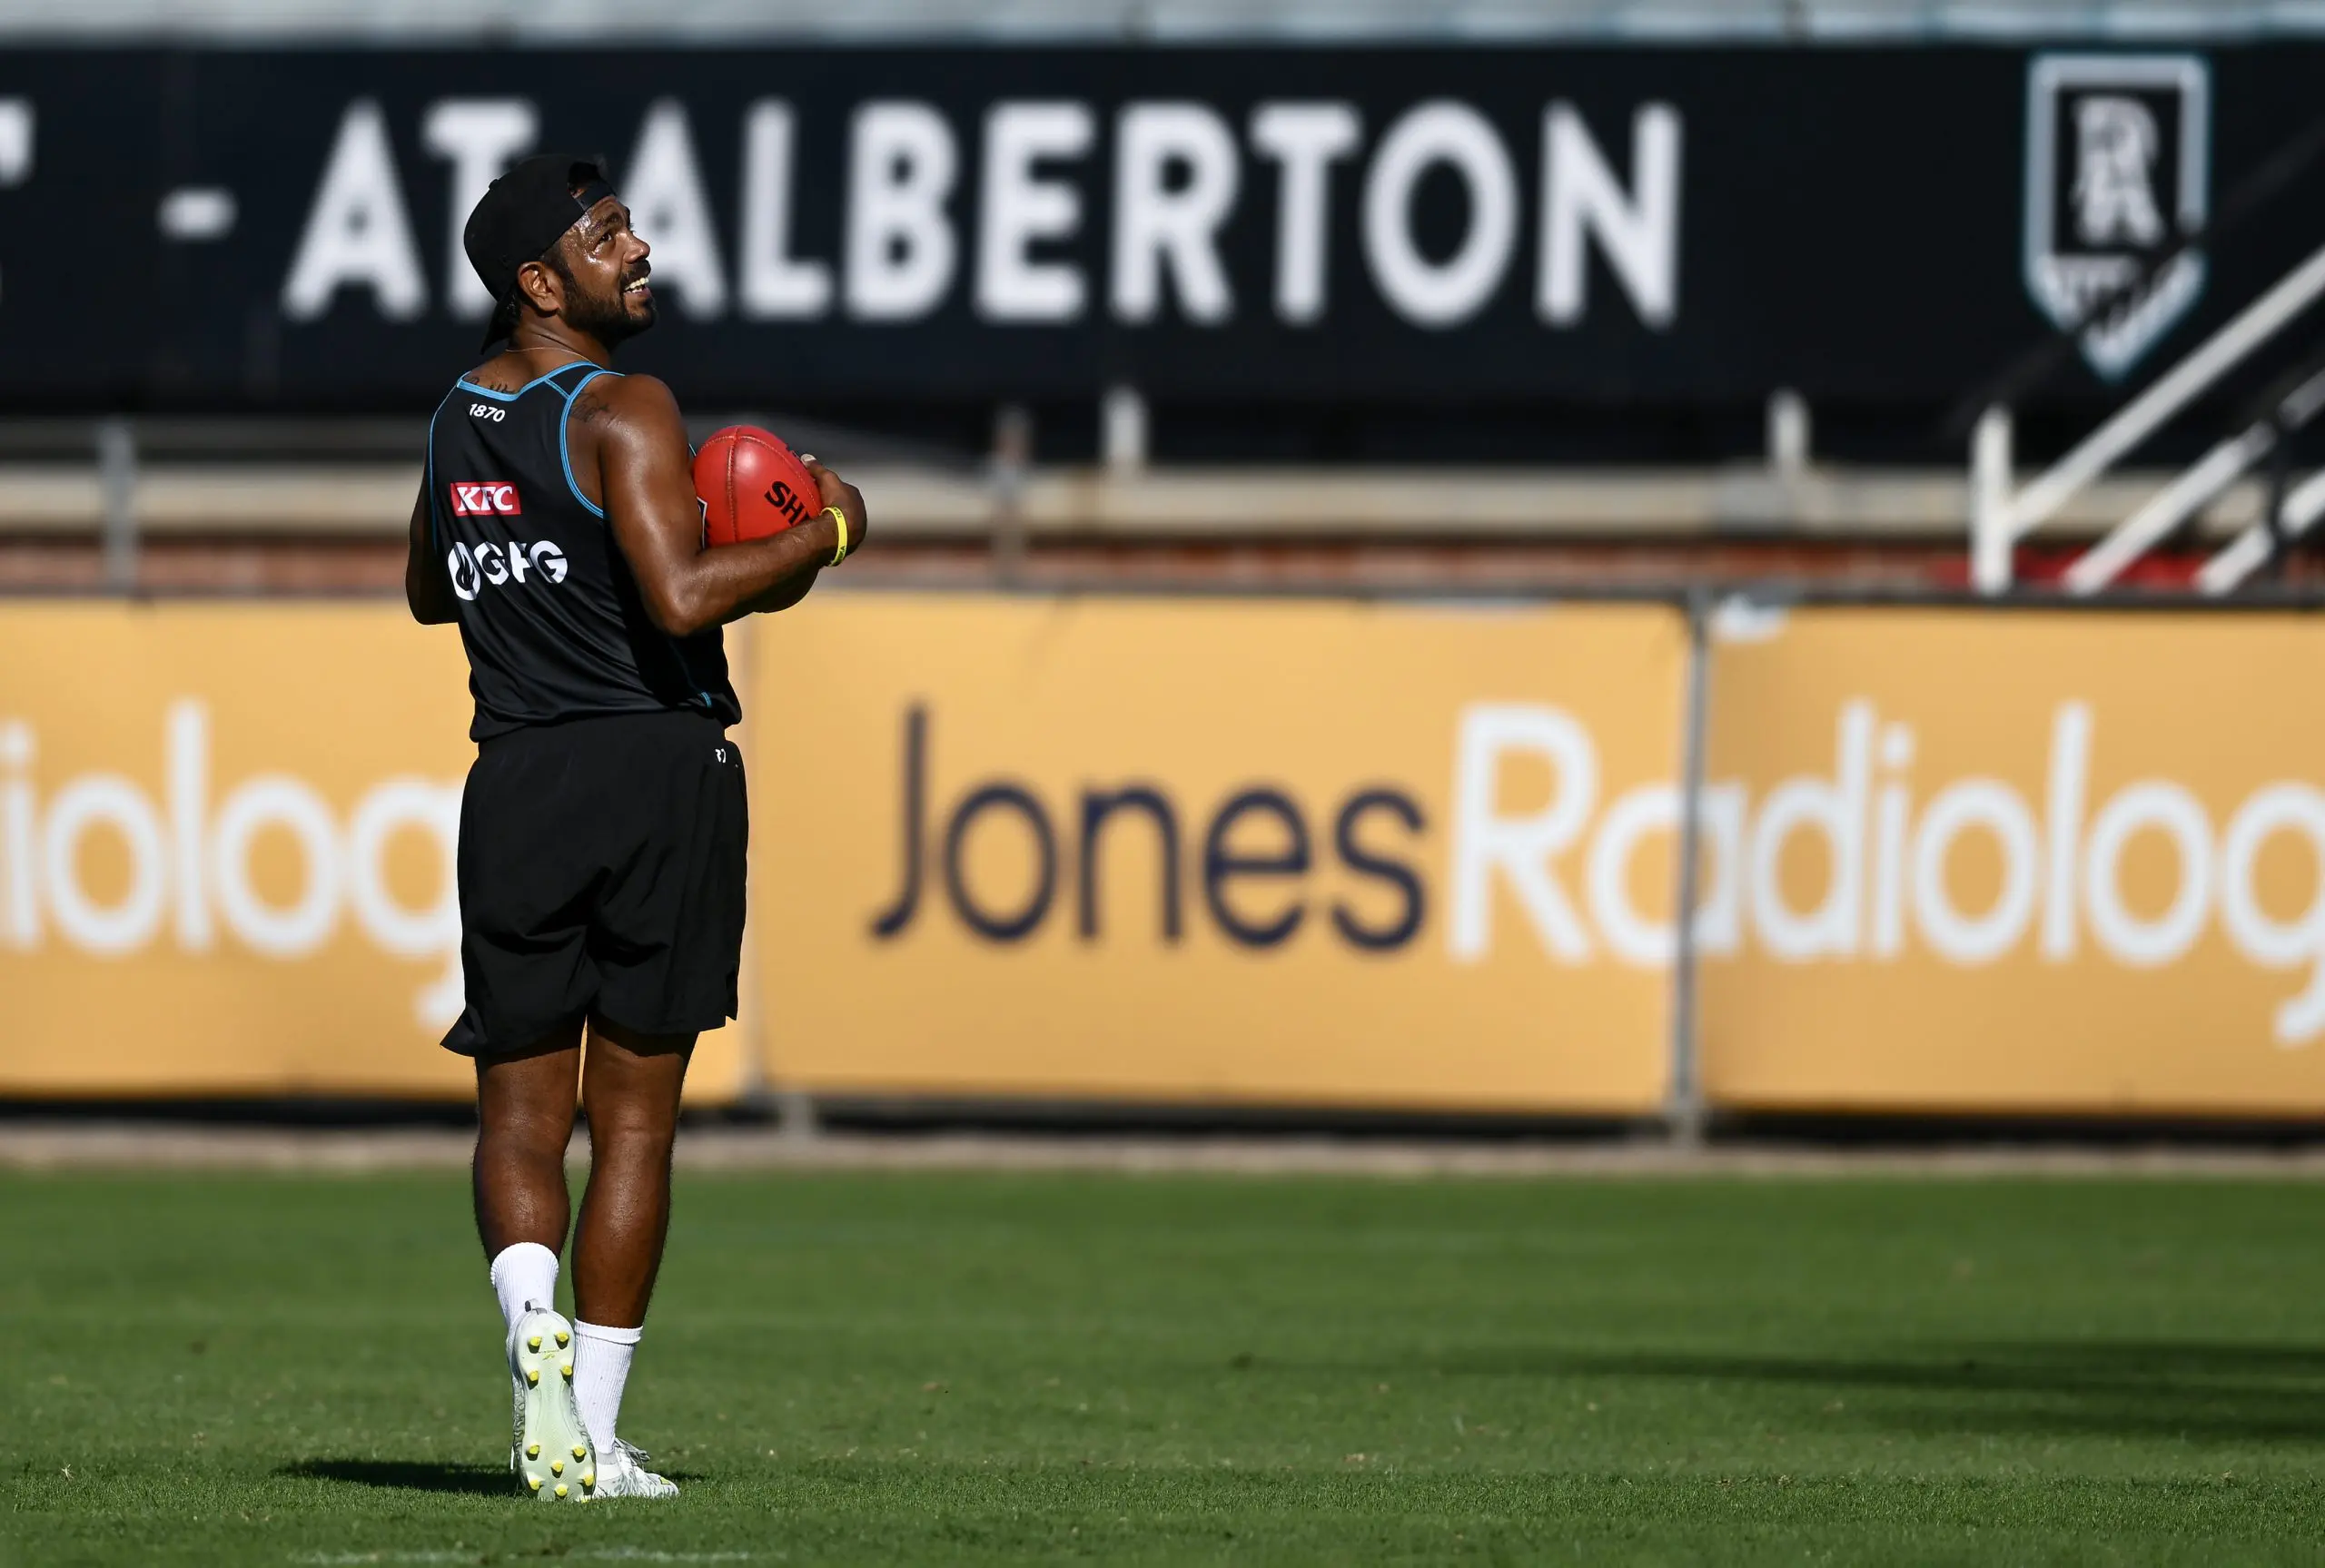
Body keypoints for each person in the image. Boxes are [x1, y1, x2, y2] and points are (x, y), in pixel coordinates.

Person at [403, 153, 867, 1503]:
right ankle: (592, 1438)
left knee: (517, 1113)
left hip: (517, 782)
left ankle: (524, 1320)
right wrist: (830, 528)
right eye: (607, 236)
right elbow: (680, 598)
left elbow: (436, 589)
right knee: (637, 1123)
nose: (640, 247)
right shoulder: (624, 405)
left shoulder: (451, 419)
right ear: (540, 284)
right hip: (655, 772)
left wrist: (535, 557)